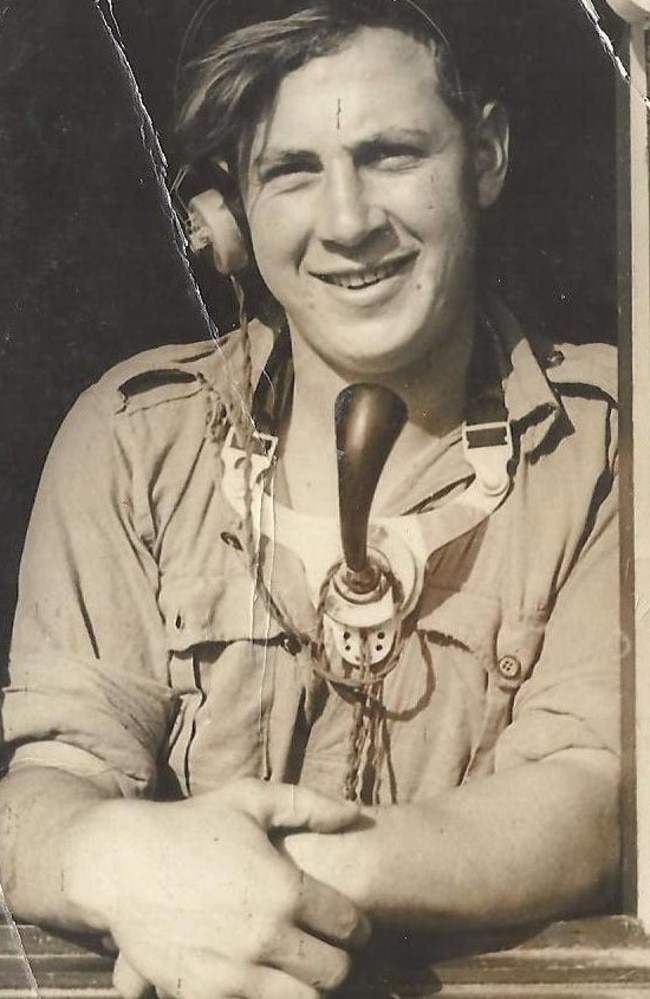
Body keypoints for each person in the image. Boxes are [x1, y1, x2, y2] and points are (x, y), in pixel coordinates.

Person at [0, 2, 620, 998]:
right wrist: (108, 856)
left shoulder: (608, 442)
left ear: (486, 156)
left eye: (390, 154)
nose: (347, 222)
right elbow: (49, 783)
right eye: (292, 172)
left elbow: (589, 795)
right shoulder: (126, 439)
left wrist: (244, 881)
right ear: (232, 216)